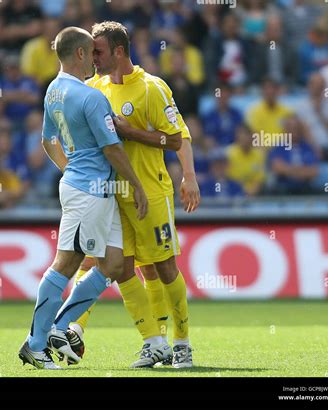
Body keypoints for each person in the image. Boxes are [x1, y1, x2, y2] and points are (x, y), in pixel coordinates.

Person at [70, 21, 200, 369]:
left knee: (163, 265)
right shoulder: (93, 88)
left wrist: (188, 175)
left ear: (118, 51)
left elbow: (174, 139)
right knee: (122, 268)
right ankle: (153, 343)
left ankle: (182, 341)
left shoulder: (151, 88)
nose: (92, 58)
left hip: (152, 191)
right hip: (113, 195)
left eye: (97, 51)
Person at [17, 27, 148, 370]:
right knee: (66, 263)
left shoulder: (53, 91)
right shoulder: (90, 97)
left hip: (90, 188)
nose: (95, 58)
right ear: (79, 54)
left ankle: (59, 327)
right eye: (92, 52)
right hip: (90, 191)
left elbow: (48, 141)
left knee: (113, 264)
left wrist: (69, 170)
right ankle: (35, 343)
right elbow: (111, 147)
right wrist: (136, 184)